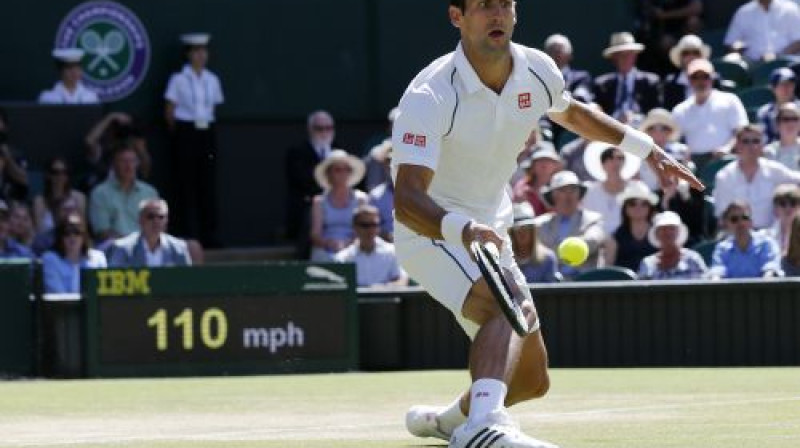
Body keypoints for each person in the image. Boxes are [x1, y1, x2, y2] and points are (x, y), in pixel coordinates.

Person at [392, 2, 700, 446]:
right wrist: (463, 229)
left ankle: (448, 421)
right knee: (505, 305)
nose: (496, 14)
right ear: (457, 17)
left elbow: (570, 112)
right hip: (432, 229)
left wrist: (646, 148)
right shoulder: (430, 94)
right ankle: (483, 427)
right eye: (483, 5)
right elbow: (407, 200)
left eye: (505, 4)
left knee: (531, 380)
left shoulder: (537, 69)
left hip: (490, 228)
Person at [164, 33, 224, 246]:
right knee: (185, 183)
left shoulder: (212, 79)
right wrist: (181, 133)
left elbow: (213, 107)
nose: (200, 55)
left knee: (207, 184)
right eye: (196, 51)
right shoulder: (178, 79)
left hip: (206, 131)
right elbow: (169, 111)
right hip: (186, 132)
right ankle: (187, 234)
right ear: (188, 54)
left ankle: (210, 236)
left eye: (203, 51)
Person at [714, 124, 800, 229]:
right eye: (746, 141)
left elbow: (797, 180)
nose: (751, 146)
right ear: (737, 146)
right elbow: (722, 216)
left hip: (770, 234)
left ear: (762, 146)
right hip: (737, 234)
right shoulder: (724, 176)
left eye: (756, 141)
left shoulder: (773, 170)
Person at [672, 58, 749, 170]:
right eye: (695, 77)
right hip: (694, 165)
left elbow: (741, 131)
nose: (700, 81)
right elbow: (674, 140)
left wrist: (727, 148)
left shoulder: (730, 100)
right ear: (689, 80)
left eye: (705, 77)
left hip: (725, 160)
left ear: (712, 78)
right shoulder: (680, 110)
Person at [285, 110, 337, 257]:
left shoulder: (339, 150)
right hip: (306, 210)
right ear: (310, 129)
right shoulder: (296, 152)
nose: (324, 132)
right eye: (319, 128)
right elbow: (303, 182)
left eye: (328, 128)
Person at [89, 143, 159, 245]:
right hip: (115, 247)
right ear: (113, 165)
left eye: (132, 161)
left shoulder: (149, 192)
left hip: (147, 246)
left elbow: (157, 226)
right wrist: (132, 245)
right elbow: (102, 232)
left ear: (137, 163)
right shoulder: (100, 193)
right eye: (123, 161)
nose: (128, 166)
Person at [309, 150, 368, 262]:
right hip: (325, 249)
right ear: (328, 174)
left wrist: (348, 244)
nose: (343, 173)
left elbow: (364, 230)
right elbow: (315, 234)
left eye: (347, 169)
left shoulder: (361, 199)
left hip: (354, 248)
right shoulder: (319, 201)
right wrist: (328, 243)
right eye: (338, 170)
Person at [333, 204, 408, 287]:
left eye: (374, 224)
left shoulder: (392, 252)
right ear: (355, 227)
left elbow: (402, 280)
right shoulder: (343, 258)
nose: (370, 230)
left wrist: (382, 289)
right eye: (365, 225)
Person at [592, 32, 661, 120]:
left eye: (629, 53)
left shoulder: (650, 82)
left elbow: (657, 114)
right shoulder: (602, 84)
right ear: (613, 58)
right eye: (620, 54)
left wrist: (636, 118)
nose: (625, 58)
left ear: (635, 56)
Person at [581, 143, 646, 235]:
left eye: (620, 158)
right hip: (597, 239)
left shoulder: (638, 188)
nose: (615, 162)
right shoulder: (590, 191)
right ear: (602, 163)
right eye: (610, 157)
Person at [106, 199, 193, 267]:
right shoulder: (122, 247)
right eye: (150, 216)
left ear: (167, 220)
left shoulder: (179, 248)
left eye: (161, 217)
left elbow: (187, 278)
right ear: (140, 220)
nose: (156, 221)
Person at [710, 201, 783, 278]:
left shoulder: (766, 244)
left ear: (751, 221)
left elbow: (771, 268)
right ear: (727, 223)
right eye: (734, 219)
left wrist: (765, 282)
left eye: (745, 217)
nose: (741, 222)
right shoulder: (722, 249)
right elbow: (717, 271)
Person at [84, 112, 152, 190]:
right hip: (106, 194)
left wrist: (139, 145)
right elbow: (89, 141)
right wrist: (110, 117)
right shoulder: (104, 155)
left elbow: (146, 166)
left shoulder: (138, 158)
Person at [41, 213, 106, 293]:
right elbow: (57, 293)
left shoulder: (98, 258)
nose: (72, 237)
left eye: (77, 232)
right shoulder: (50, 259)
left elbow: (102, 292)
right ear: (60, 237)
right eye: (67, 233)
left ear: (84, 236)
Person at [604, 182, 658, 271]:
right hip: (623, 279)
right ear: (625, 208)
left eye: (644, 204)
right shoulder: (615, 238)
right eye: (632, 203)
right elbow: (608, 268)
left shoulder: (659, 232)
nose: (638, 207)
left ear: (650, 208)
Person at [638, 211, 708, 279]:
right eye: (663, 229)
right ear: (656, 233)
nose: (668, 232)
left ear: (678, 232)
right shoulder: (648, 263)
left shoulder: (693, 259)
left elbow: (705, 283)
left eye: (672, 228)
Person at [724, 0, 800, 63]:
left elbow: (798, 41)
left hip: (786, 63)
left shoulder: (790, 9)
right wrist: (736, 47)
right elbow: (730, 42)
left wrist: (778, 57)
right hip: (754, 66)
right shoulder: (743, 12)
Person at [32, 157, 87, 234]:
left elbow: (82, 228)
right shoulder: (39, 201)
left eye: (64, 172)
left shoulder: (78, 198)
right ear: (48, 175)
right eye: (55, 172)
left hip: (71, 238)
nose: (60, 176)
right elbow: (39, 231)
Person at [508, 202, 559, 283]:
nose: (522, 232)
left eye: (527, 227)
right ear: (512, 233)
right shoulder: (505, 260)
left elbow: (551, 289)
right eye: (517, 228)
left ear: (533, 230)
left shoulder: (548, 258)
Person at [511, 142, 563, 216]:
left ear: (555, 165)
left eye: (548, 160)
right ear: (532, 165)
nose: (544, 164)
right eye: (540, 160)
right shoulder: (522, 187)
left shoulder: (562, 186)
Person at [662, 34, 712, 110]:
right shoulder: (670, 83)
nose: (691, 56)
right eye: (686, 53)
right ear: (680, 57)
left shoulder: (713, 78)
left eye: (696, 52)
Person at [367, 140, 395, 242]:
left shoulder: (417, 192)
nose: (391, 165)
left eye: (396, 160)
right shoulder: (375, 195)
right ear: (383, 164)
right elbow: (370, 226)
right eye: (388, 161)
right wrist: (387, 236)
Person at [0, 109, 28, 203]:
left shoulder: (15, 153)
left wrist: (7, 156)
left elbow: (23, 180)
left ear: (5, 127)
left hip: (8, 202)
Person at [764, 102, 800, 170]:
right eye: (786, 119)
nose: (791, 123)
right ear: (777, 124)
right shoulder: (769, 152)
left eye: (795, 119)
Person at [765, 184, 800, 252]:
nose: (788, 208)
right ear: (775, 208)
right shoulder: (765, 236)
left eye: (793, 203)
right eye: (782, 204)